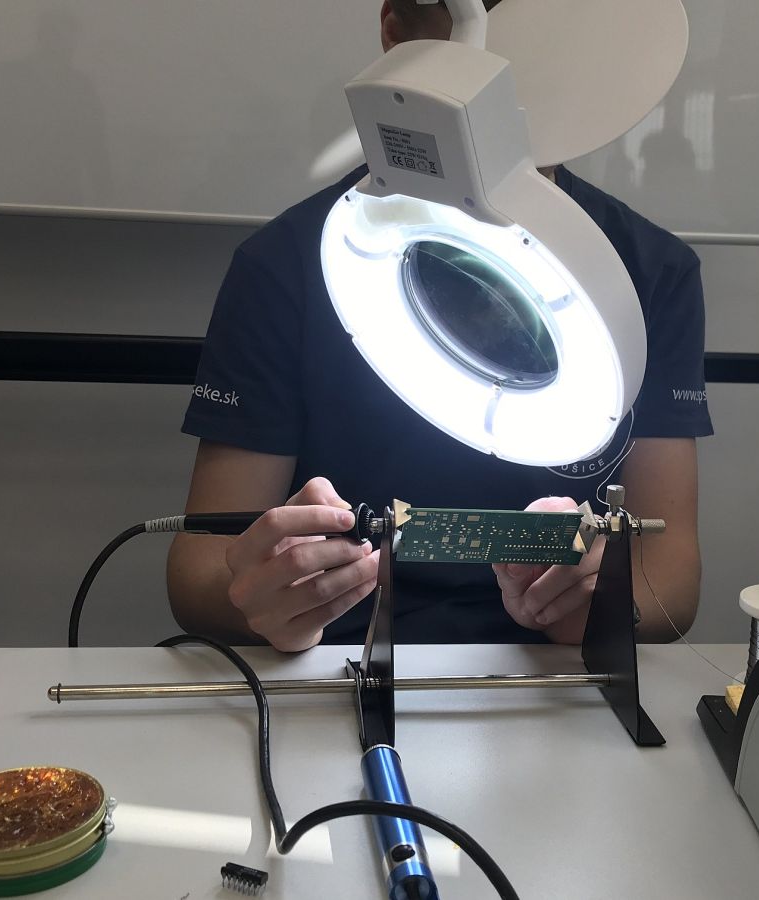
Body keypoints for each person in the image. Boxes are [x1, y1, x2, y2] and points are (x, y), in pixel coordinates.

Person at [167, 0, 712, 652]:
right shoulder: (287, 265)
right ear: (396, 33)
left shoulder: (648, 275)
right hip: (337, 655)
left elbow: (669, 581)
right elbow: (199, 572)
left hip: (549, 669)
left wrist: (598, 608)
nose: (512, 83)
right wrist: (260, 596)